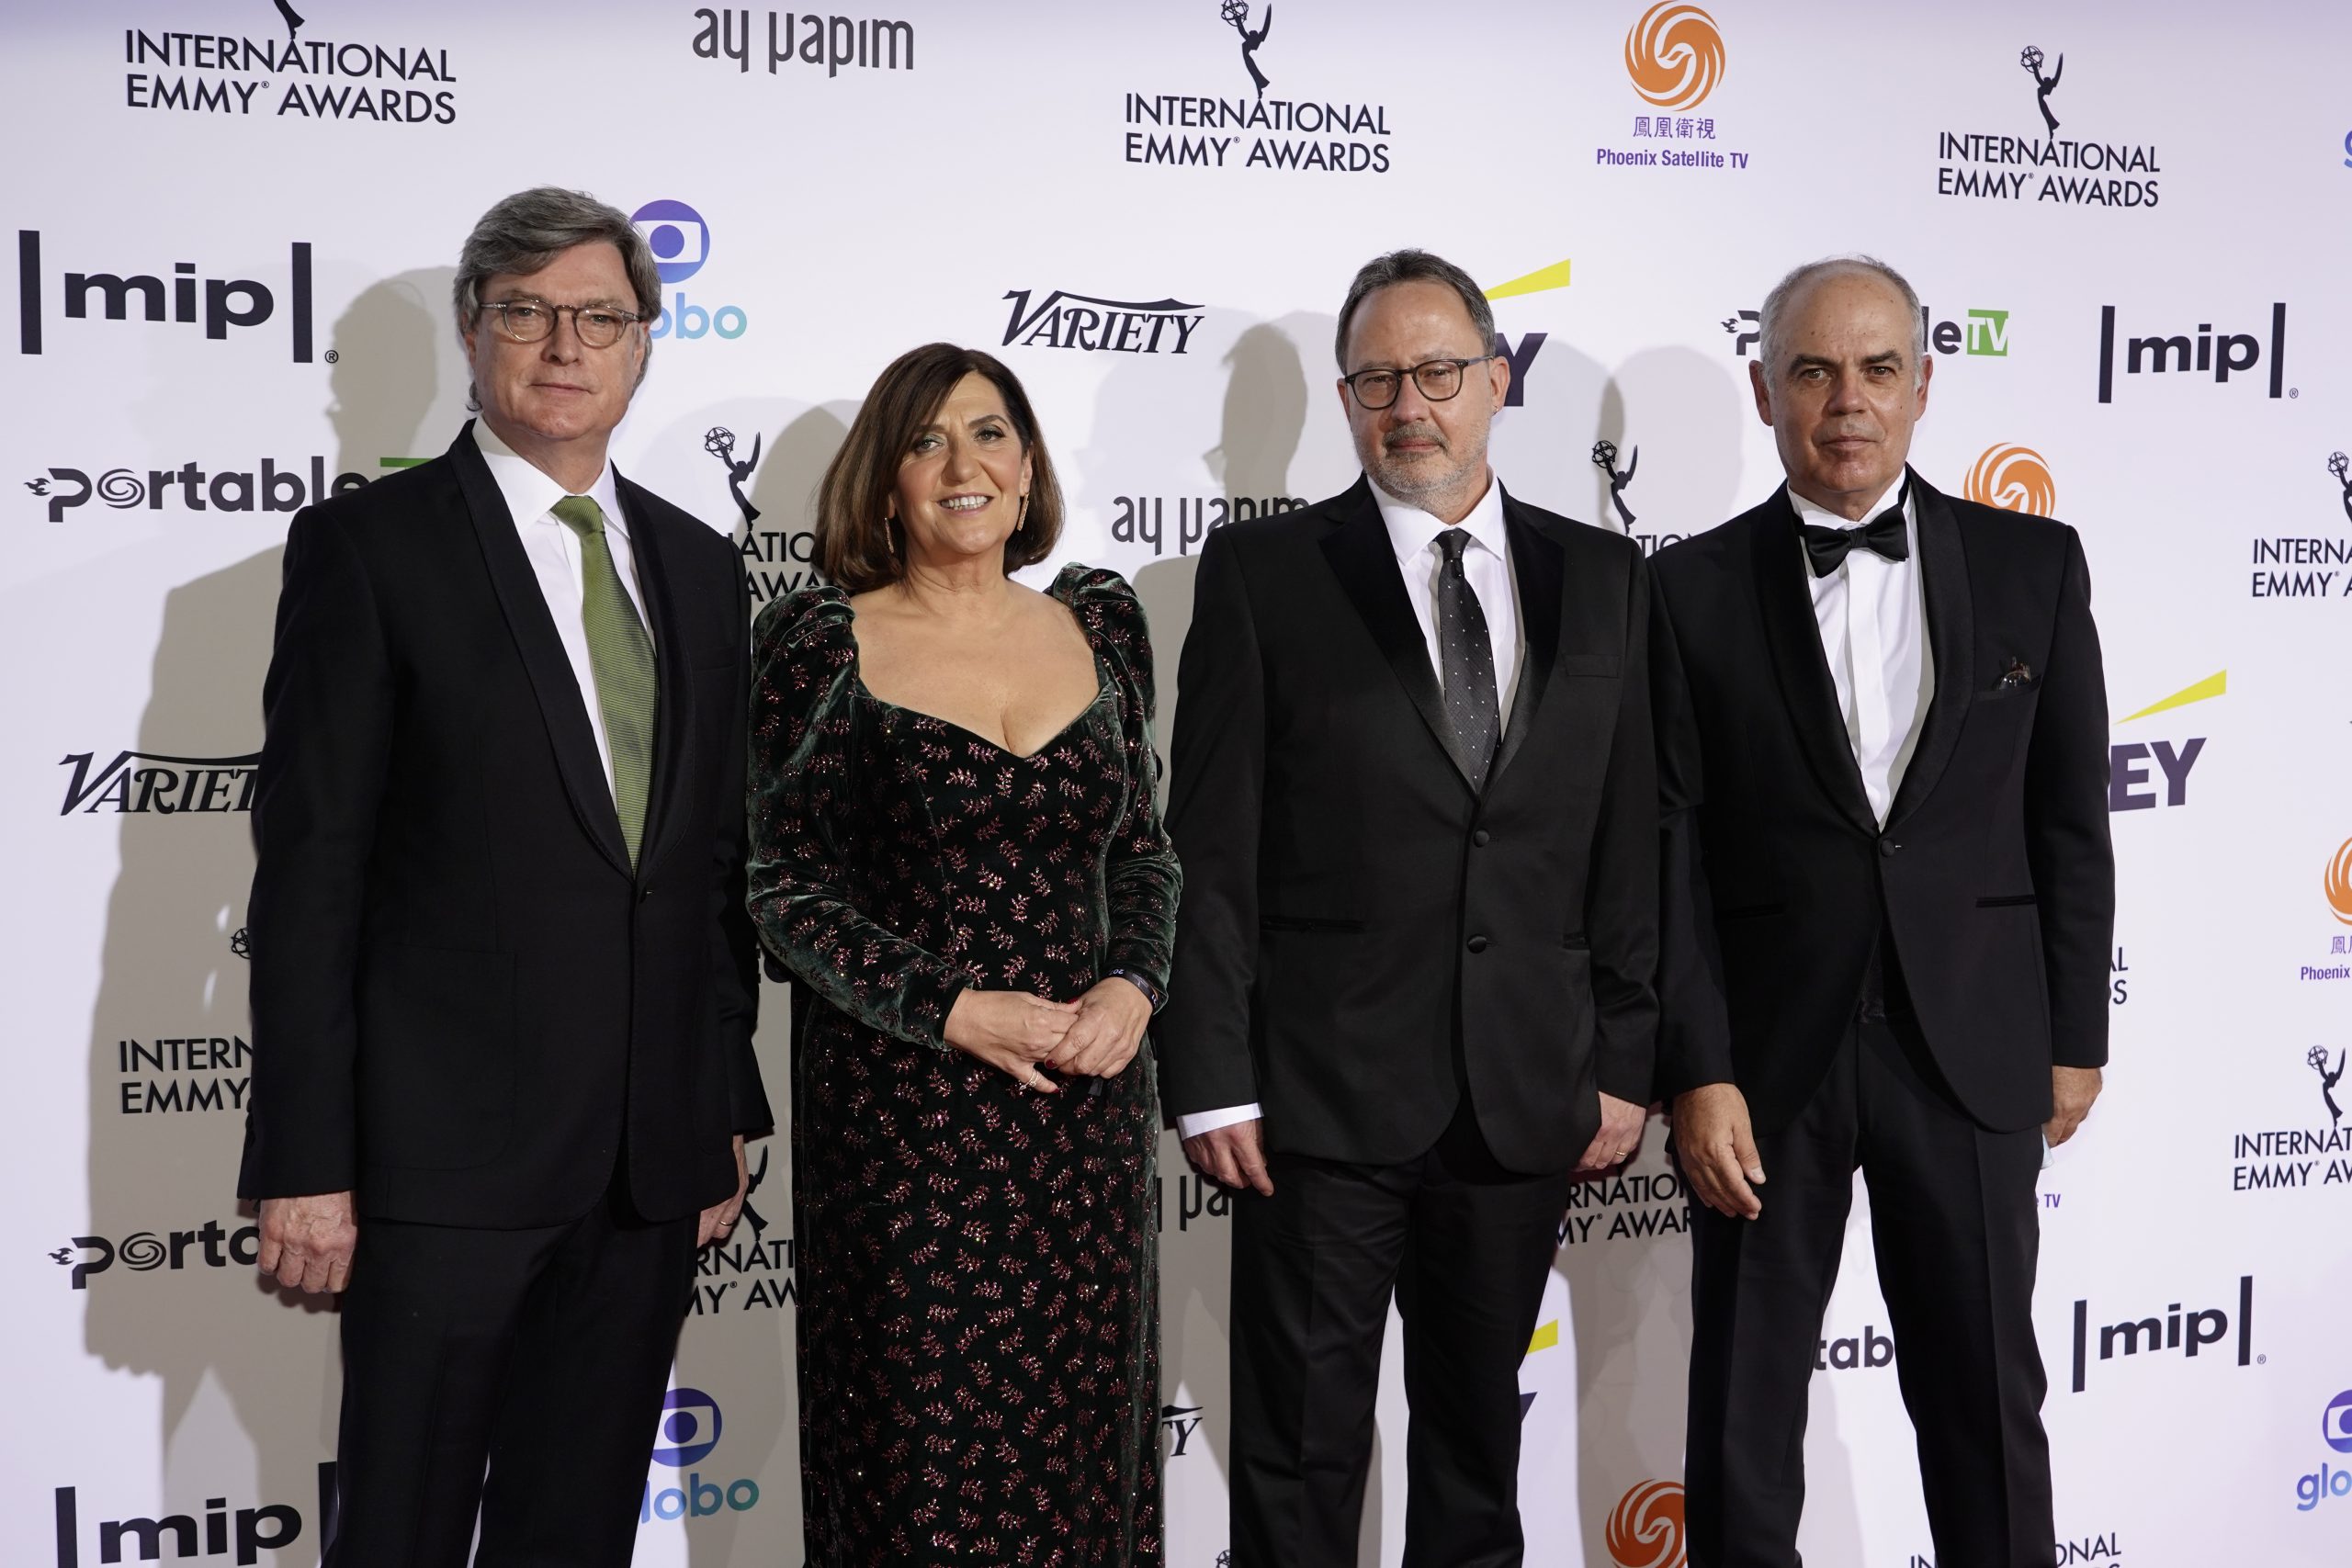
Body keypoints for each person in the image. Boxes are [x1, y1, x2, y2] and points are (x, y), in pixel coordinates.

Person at [238, 186, 770, 1565]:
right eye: (526, 312)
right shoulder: (371, 549)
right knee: (402, 1535)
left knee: (576, 1532)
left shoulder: (707, 570)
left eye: (600, 316)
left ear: (646, 343)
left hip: (646, 1168)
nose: (564, 345)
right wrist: (305, 1160)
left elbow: (712, 868)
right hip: (438, 1175)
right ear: (472, 335)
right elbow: (312, 874)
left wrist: (720, 1103)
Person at [1159, 249, 1658, 1568]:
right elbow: (1207, 850)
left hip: (1523, 1094)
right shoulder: (1264, 576)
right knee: (1299, 1461)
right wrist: (1211, 1077)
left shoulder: (1605, 581)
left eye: (1438, 372)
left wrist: (1625, 1059)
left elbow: (1629, 844)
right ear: (1345, 399)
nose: (1409, 404)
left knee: (1477, 1463)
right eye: (1376, 378)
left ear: (1498, 382)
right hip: (1317, 1105)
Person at [1649, 255, 2112, 1568]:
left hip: (1966, 1051)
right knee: (1741, 1416)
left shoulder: (2035, 564)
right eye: (1810, 371)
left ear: (1921, 385)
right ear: (1764, 391)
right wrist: (1697, 1067)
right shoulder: (1683, 593)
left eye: (1874, 369)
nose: (1843, 401)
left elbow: (2071, 822)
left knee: (1985, 1408)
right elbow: (1668, 851)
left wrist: (2075, 1036)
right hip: (1765, 1068)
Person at [747, 344, 1180, 1565]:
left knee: (1083, 1473)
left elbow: (1142, 853)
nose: (962, 465)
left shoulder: (1099, 623)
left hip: (1085, 1129)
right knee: (914, 1479)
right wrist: (952, 1007)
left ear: (1030, 464)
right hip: (905, 1134)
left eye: (989, 433)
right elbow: (778, 886)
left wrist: (1133, 984)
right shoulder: (818, 642)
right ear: (883, 481)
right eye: (926, 441)